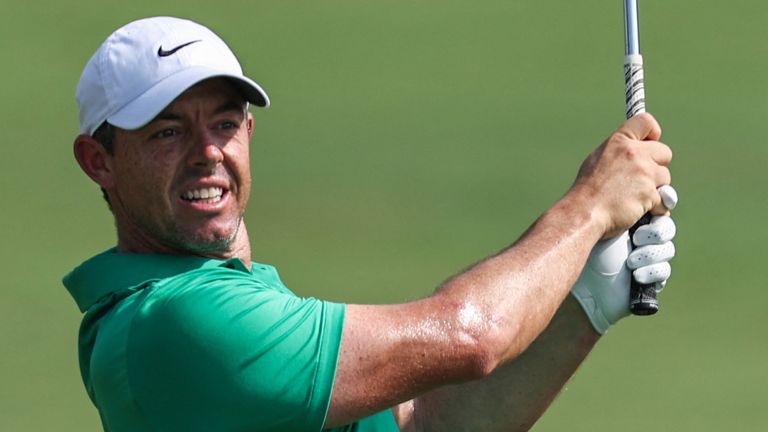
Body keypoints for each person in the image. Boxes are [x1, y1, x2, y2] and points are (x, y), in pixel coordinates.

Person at [64, 16, 677, 432]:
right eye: (168, 132)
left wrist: (585, 301)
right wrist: (590, 205)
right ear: (100, 162)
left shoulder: (234, 304)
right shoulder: (174, 322)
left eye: (224, 123)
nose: (207, 151)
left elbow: (432, 422)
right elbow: (471, 336)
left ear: (248, 134)